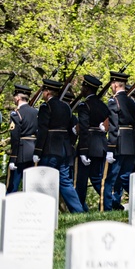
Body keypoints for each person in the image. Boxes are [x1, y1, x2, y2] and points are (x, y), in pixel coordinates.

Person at [33, 78, 86, 213]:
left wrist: (37, 152)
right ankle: (78, 210)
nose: (43, 93)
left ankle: (42, 210)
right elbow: (71, 128)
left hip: (51, 148)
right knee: (65, 182)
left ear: (48, 92)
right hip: (64, 149)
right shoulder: (66, 107)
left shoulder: (46, 107)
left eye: (44, 90)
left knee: (44, 179)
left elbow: (43, 130)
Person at [75, 73, 113, 211]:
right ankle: (112, 203)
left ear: (87, 88)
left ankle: (78, 209)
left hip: (88, 146)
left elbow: (84, 128)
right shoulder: (103, 105)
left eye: (82, 87)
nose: (81, 89)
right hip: (101, 146)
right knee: (97, 179)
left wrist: (83, 151)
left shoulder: (84, 106)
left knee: (81, 181)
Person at [107, 71, 135, 210]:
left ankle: (107, 206)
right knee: (125, 175)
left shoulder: (114, 101)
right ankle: (118, 202)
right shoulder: (131, 101)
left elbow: (113, 126)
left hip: (119, 142)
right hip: (130, 143)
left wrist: (110, 147)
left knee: (111, 177)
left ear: (114, 84)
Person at [6, 83, 38, 193]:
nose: (14, 99)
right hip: (33, 151)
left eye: (15, 96)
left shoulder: (16, 114)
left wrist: (13, 159)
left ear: (18, 98)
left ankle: (7, 208)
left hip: (20, 153)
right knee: (30, 184)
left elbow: (15, 138)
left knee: (13, 184)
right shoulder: (36, 112)